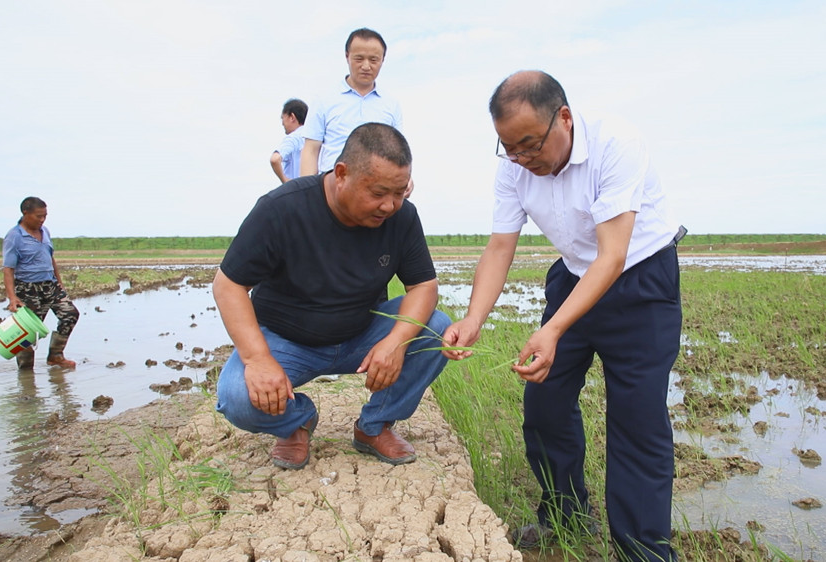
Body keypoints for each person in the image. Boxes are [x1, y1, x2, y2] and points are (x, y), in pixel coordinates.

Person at [442, 71, 684, 561]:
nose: (521, 159)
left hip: (640, 282)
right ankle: (565, 512)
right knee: (545, 403)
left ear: (565, 118)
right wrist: (473, 319)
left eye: (529, 145)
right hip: (573, 277)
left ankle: (642, 549)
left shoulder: (615, 143)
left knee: (637, 421)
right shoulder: (514, 166)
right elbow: (499, 245)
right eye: (509, 148)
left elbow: (612, 255)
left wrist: (552, 328)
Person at [213, 123, 448, 470]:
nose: (389, 205)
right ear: (341, 174)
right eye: (379, 192)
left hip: (360, 336)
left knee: (434, 328)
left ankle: (374, 426)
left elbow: (424, 287)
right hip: (286, 342)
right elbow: (228, 285)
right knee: (236, 397)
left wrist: (396, 341)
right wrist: (258, 359)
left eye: (399, 193)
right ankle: (297, 421)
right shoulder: (282, 209)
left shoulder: (401, 217)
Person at [299, 28, 413, 196]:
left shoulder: (391, 105)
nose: (366, 66)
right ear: (347, 56)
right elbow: (310, 149)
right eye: (359, 58)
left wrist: (406, 180)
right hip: (332, 191)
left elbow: (398, 152)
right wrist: (306, 194)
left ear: (383, 60)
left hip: (377, 192)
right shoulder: (324, 100)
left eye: (373, 60)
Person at [2, 197, 80, 370]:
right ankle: (25, 372)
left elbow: (50, 259)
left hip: (50, 286)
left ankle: (55, 356)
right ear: (25, 214)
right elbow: (8, 269)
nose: (42, 219)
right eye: (38, 216)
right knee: (26, 333)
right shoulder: (14, 236)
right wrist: (12, 298)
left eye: (45, 216)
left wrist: (60, 284)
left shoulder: (45, 232)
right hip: (28, 288)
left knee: (70, 314)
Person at [270, 98, 309, 183]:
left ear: (292, 117)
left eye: (282, 118)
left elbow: (275, 159)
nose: (282, 123)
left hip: (296, 191)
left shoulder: (293, 138)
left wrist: (286, 182)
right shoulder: (314, 138)